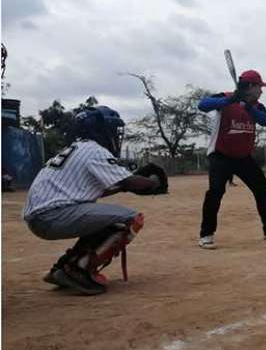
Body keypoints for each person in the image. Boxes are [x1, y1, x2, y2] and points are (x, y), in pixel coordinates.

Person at [22, 106, 164, 295]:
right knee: (130, 218)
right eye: (113, 129)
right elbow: (128, 181)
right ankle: (78, 269)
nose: (115, 134)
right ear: (100, 129)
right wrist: (153, 181)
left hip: (41, 216)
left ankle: (64, 268)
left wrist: (128, 185)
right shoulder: (94, 150)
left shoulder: (76, 149)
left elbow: (101, 190)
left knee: (104, 216)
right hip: (52, 216)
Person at [197, 69, 266, 249]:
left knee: (262, 187)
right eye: (259, 87)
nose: (261, 91)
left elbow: (264, 121)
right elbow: (203, 104)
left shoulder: (258, 106)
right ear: (251, 86)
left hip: (242, 157)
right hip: (220, 154)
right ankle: (206, 234)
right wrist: (229, 100)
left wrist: (246, 106)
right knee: (215, 192)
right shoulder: (226, 97)